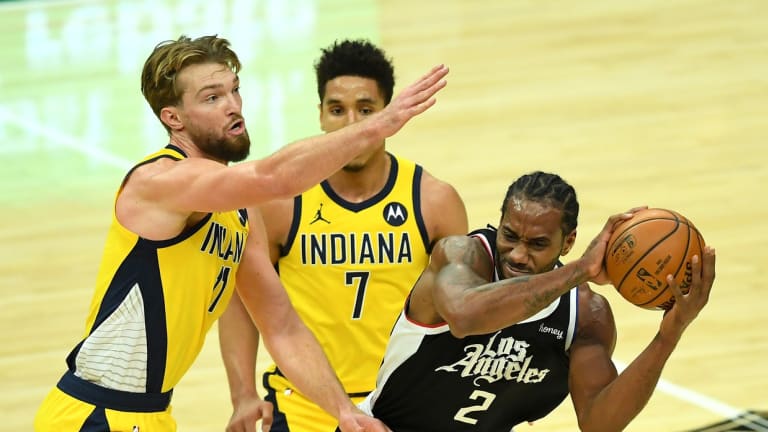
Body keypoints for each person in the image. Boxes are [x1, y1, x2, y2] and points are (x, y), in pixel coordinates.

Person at [33, 34, 450, 432]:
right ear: (173, 118)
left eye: (234, 91)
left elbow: (282, 327)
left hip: (150, 413)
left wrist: (345, 412)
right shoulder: (160, 181)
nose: (233, 106)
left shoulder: (239, 209)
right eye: (212, 98)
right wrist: (376, 125)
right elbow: (275, 178)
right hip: (96, 412)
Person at [218, 39, 469, 432]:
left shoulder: (434, 202)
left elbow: (463, 312)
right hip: (302, 405)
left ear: (389, 114)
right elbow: (240, 300)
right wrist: (243, 394)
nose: (353, 124)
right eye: (337, 109)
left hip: (402, 403)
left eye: (366, 110)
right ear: (320, 114)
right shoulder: (282, 204)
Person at [356, 171, 716, 431]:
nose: (517, 254)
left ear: (568, 242)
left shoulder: (584, 314)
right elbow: (466, 316)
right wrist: (579, 270)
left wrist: (668, 336)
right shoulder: (462, 255)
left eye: (537, 244)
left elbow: (599, 422)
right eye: (509, 235)